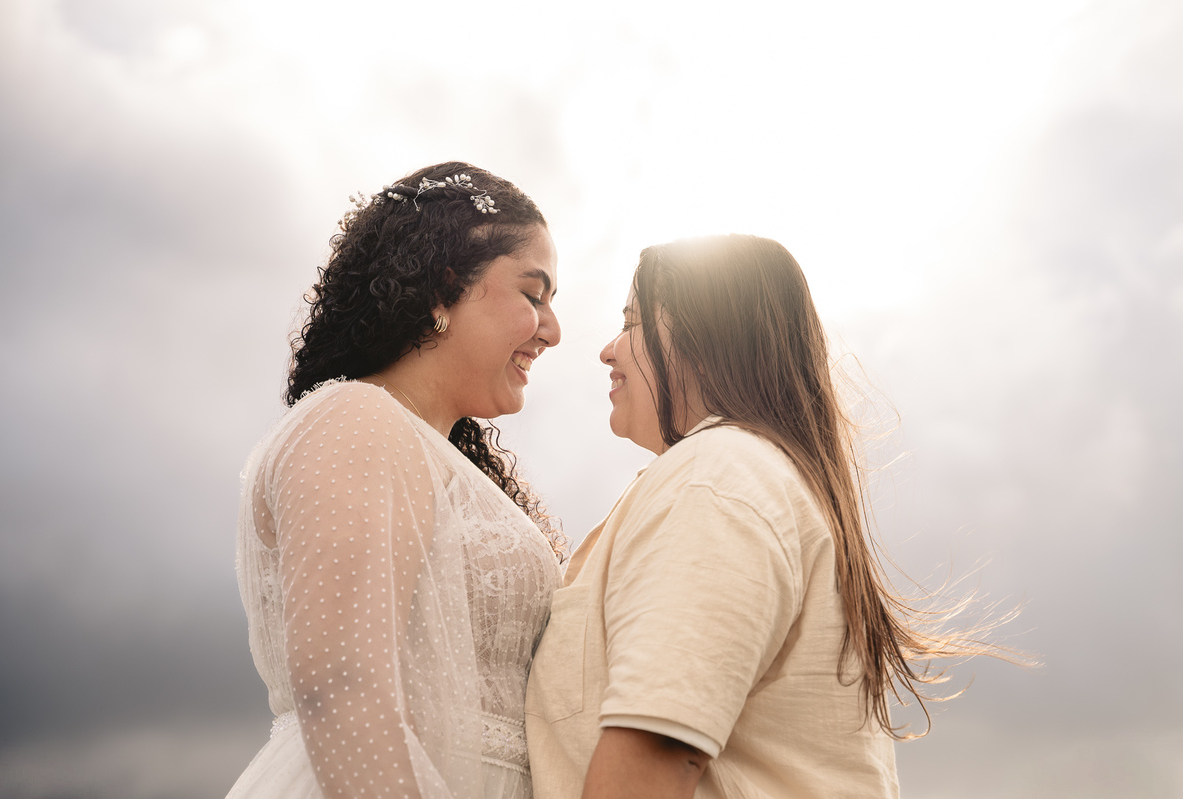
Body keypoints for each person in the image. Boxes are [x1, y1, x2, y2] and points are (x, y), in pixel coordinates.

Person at [526, 234, 989, 798]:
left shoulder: (716, 476)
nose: (609, 349)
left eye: (632, 323)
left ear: (704, 338)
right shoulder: (736, 475)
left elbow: (656, 755)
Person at [227, 161, 565, 799]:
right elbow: (341, 685)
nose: (551, 330)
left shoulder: (427, 451)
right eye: (533, 294)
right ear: (443, 288)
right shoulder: (354, 419)